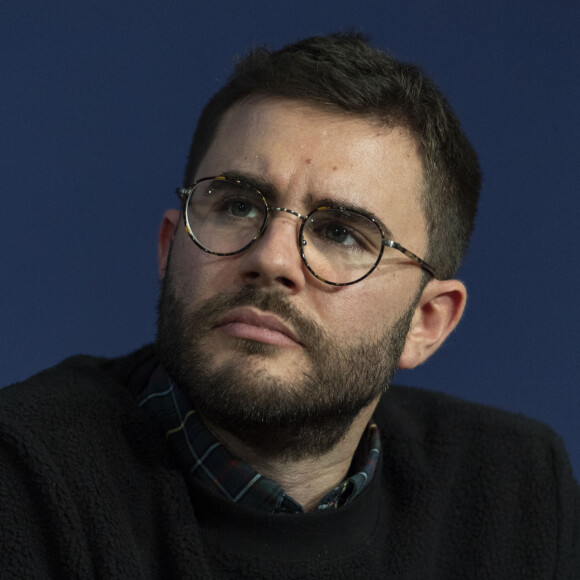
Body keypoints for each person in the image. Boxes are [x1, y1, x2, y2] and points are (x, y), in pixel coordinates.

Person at [1, 32, 578, 579]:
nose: (272, 259)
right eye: (235, 207)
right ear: (169, 247)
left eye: (343, 233)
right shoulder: (25, 478)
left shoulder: (516, 489)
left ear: (426, 323)